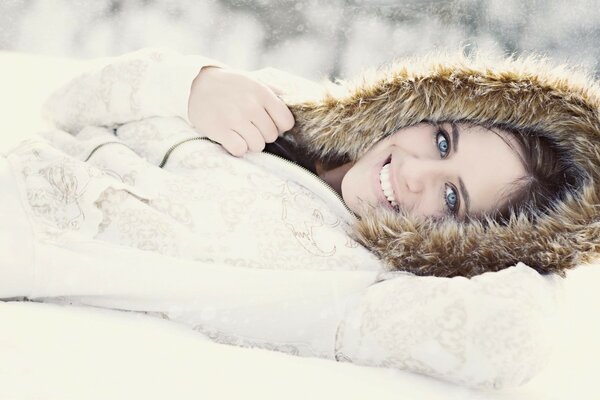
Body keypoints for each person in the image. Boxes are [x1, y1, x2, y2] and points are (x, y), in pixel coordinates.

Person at [0, 47, 594, 388]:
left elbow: (513, 339)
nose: (417, 175)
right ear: (430, 107)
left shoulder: (360, 284)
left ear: (472, 248)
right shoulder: (287, 107)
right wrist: (190, 84)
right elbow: (64, 106)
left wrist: (543, 248)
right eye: (442, 142)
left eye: (452, 200)